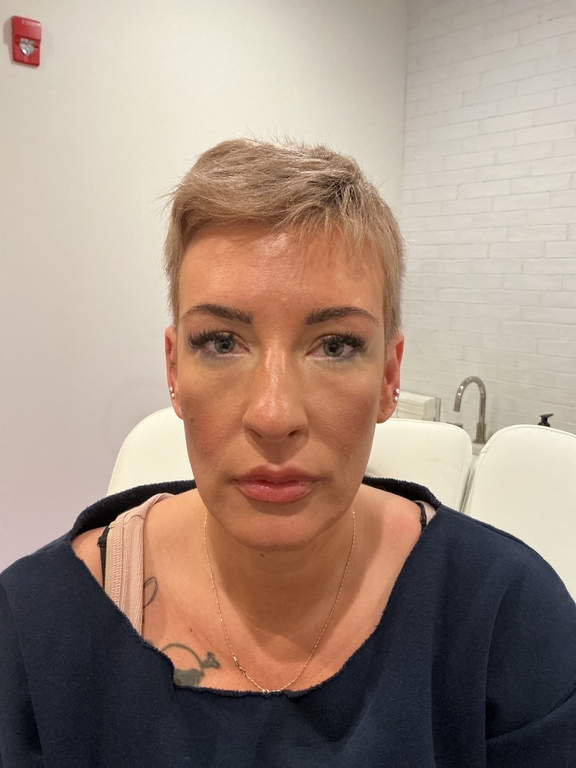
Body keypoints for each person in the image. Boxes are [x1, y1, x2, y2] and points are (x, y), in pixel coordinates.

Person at [1, 139, 575, 768]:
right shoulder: (35, 628)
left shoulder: (509, 621)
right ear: (174, 371)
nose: (274, 416)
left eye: (335, 346)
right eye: (222, 342)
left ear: (389, 377)